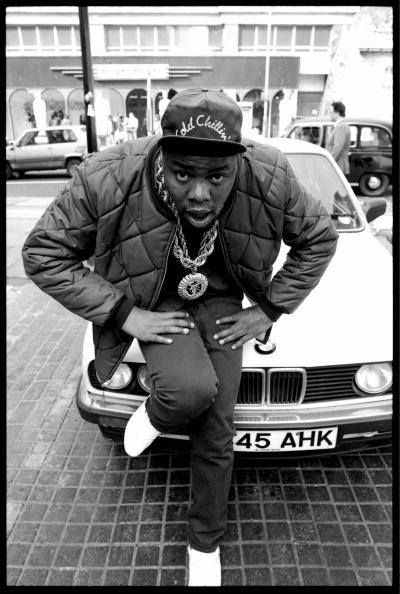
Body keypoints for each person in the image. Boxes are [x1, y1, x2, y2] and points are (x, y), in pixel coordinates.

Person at [22, 88, 338, 587]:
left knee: (217, 426)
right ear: (160, 154)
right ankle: (156, 411)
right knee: (189, 390)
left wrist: (271, 308)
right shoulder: (107, 175)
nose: (199, 193)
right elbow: (43, 253)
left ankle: (204, 542)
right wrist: (125, 314)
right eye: (183, 172)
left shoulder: (269, 172)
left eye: (217, 176)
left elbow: (319, 237)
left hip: (222, 300)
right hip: (153, 296)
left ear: (239, 161)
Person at [326, 101, 351, 174]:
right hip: (337, 164)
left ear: (336, 113)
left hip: (338, 165)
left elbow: (337, 148)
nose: (329, 114)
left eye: (331, 112)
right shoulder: (339, 125)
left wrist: (329, 163)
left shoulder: (341, 126)